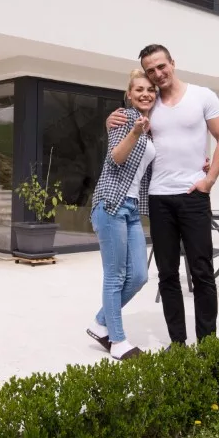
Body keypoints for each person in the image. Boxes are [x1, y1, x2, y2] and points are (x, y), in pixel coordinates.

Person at [107, 44, 219, 345]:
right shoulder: (149, 107)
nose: (157, 74)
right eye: (151, 70)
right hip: (159, 199)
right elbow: (124, 126)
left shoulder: (203, 96)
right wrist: (110, 119)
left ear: (172, 63)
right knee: (167, 275)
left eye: (161, 67)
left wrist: (209, 179)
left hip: (193, 196)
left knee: (202, 271)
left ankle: (208, 343)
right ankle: (178, 344)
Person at [86, 69, 158, 361]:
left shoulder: (151, 126)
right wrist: (134, 132)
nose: (145, 94)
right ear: (129, 94)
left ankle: (100, 323)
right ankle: (117, 341)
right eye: (139, 89)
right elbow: (115, 157)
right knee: (115, 277)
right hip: (110, 203)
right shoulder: (125, 117)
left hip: (131, 208)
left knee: (139, 275)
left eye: (150, 89)